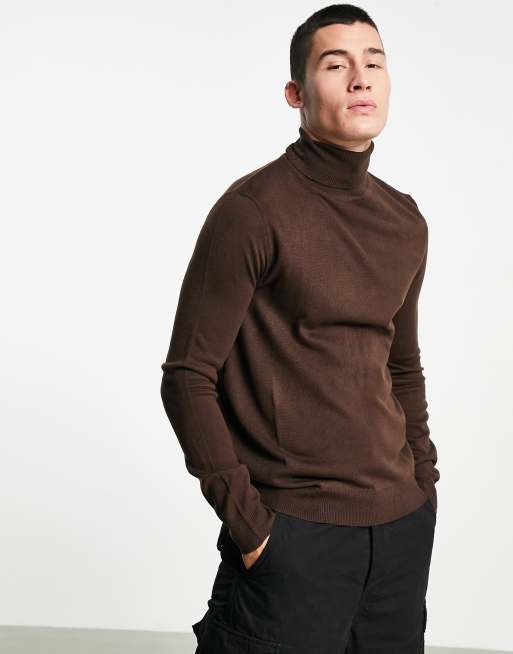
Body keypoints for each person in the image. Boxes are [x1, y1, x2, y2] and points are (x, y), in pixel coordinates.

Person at [160, 4, 440, 652]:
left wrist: (423, 487)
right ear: (295, 94)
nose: (360, 78)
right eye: (335, 65)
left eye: (373, 63)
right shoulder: (251, 212)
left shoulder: (404, 220)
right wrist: (252, 529)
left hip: (399, 537)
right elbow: (187, 378)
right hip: (292, 538)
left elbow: (401, 366)